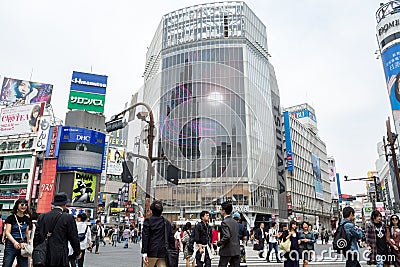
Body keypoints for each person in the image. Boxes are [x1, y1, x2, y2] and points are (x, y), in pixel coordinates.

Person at [33, 192, 81, 267]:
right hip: (60, 254)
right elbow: (73, 237)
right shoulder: (68, 217)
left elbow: (37, 236)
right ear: (65, 204)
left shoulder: (42, 217)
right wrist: (77, 252)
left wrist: (37, 250)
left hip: (44, 253)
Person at [141, 200, 175, 267]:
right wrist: (172, 251)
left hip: (151, 252)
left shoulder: (148, 221)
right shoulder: (166, 222)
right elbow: (171, 238)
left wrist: (144, 252)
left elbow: (145, 237)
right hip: (163, 252)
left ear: (151, 210)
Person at [3, 199, 31, 267]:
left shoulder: (27, 219)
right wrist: (14, 242)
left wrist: (27, 244)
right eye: (22, 204)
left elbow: (27, 233)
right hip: (11, 244)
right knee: (7, 264)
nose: (24, 206)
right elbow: (7, 232)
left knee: (24, 265)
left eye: (26, 205)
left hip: (22, 244)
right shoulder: (11, 218)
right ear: (17, 206)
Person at [215, 201, 240, 267]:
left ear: (224, 211)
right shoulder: (235, 222)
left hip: (227, 250)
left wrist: (218, 243)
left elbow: (227, 236)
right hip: (236, 250)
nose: (220, 211)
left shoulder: (224, 222)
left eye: (220, 209)